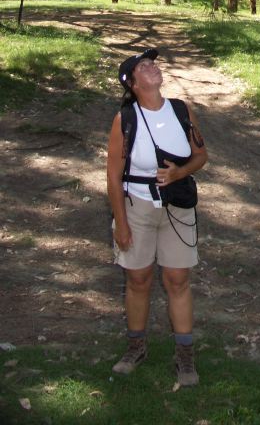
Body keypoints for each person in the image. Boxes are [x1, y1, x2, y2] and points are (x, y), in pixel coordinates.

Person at [106, 48, 208, 385]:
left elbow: (201, 156)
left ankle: (186, 356)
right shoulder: (126, 119)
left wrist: (179, 173)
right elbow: (113, 176)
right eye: (143, 66)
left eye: (153, 62)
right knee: (138, 279)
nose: (152, 66)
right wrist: (121, 223)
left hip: (178, 207)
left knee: (177, 279)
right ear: (133, 83)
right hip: (137, 206)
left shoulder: (181, 110)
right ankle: (136, 346)